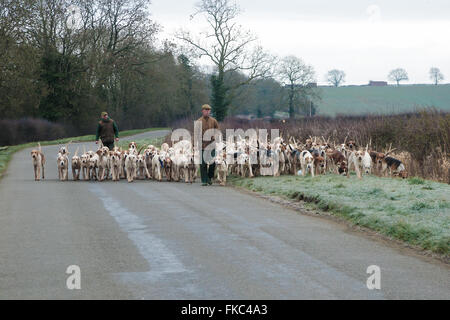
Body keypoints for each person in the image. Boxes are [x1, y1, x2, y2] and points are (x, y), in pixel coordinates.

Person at [197, 104, 219, 186]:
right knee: (203, 164)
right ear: (202, 111)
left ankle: (210, 177)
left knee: (213, 163)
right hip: (202, 145)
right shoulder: (198, 121)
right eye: (206, 110)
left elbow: (218, 131)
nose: (207, 112)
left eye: (209, 110)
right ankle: (204, 180)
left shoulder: (214, 121)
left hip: (212, 145)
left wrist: (215, 136)